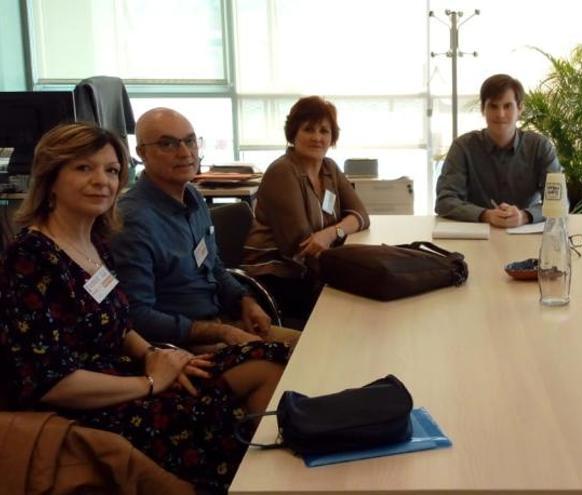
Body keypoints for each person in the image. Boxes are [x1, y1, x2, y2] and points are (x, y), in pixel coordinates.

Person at [0, 122, 290, 492]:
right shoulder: (30, 258)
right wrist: (151, 382)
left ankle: (269, 482)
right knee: (219, 421)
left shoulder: (94, 243)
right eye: (83, 168)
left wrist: (156, 354)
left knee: (268, 358)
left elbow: (119, 323)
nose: (102, 181)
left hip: (132, 375)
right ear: (50, 178)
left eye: (111, 170)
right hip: (94, 406)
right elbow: (51, 384)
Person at [110, 108, 299, 347]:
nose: (185, 152)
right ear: (141, 153)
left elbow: (215, 267)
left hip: (221, 323)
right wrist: (219, 333)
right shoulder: (132, 220)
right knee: (291, 366)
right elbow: (137, 317)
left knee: (311, 349)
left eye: (190, 141)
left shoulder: (192, 196)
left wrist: (245, 300)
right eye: (167, 144)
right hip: (183, 346)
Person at [241, 96, 370, 323]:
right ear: (293, 134)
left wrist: (331, 233)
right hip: (278, 275)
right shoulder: (283, 172)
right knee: (355, 309)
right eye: (308, 129)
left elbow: (360, 215)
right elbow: (301, 246)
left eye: (324, 131)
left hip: (312, 269)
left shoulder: (329, 168)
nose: (317, 137)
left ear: (332, 137)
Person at [434, 73, 562, 227]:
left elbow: (558, 202)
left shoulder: (540, 147)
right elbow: (445, 200)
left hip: (526, 237)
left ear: (520, 108)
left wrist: (525, 216)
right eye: (493, 106)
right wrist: (485, 215)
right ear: (483, 109)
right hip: (475, 239)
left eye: (507, 106)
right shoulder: (463, 148)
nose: (500, 114)